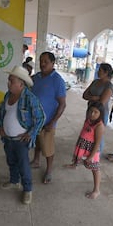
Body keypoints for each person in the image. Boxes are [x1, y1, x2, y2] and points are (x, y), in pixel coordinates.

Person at [0, 66, 45, 204]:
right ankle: (14, 181)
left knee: (23, 165)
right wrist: (1, 126)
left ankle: (27, 189)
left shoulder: (30, 98)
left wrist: (31, 133)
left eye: (11, 81)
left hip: (21, 140)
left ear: (21, 84)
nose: (8, 83)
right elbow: (3, 112)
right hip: (8, 138)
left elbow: (41, 118)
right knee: (11, 161)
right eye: (9, 80)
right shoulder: (8, 95)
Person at [30, 51, 67, 184]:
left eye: (46, 61)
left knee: (48, 147)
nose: (42, 64)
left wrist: (53, 122)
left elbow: (62, 104)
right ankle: (35, 161)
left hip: (48, 122)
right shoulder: (36, 77)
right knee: (38, 142)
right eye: (41, 61)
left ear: (53, 63)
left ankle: (49, 170)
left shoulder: (57, 81)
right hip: (36, 120)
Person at [63, 102, 105, 199]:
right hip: (83, 145)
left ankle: (96, 190)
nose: (92, 114)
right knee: (77, 156)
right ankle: (74, 165)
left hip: (91, 150)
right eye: (91, 111)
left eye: (96, 112)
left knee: (95, 169)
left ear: (100, 114)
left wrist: (91, 156)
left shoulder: (99, 126)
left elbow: (97, 143)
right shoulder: (88, 120)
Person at [82, 63, 113, 152]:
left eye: (100, 70)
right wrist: (94, 97)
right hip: (90, 111)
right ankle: (88, 152)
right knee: (88, 132)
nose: (98, 72)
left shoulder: (108, 86)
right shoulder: (95, 82)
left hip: (100, 113)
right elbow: (84, 95)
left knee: (98, 135)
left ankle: (96, 156)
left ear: (106, 72)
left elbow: (102, 102)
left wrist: (92, 97)